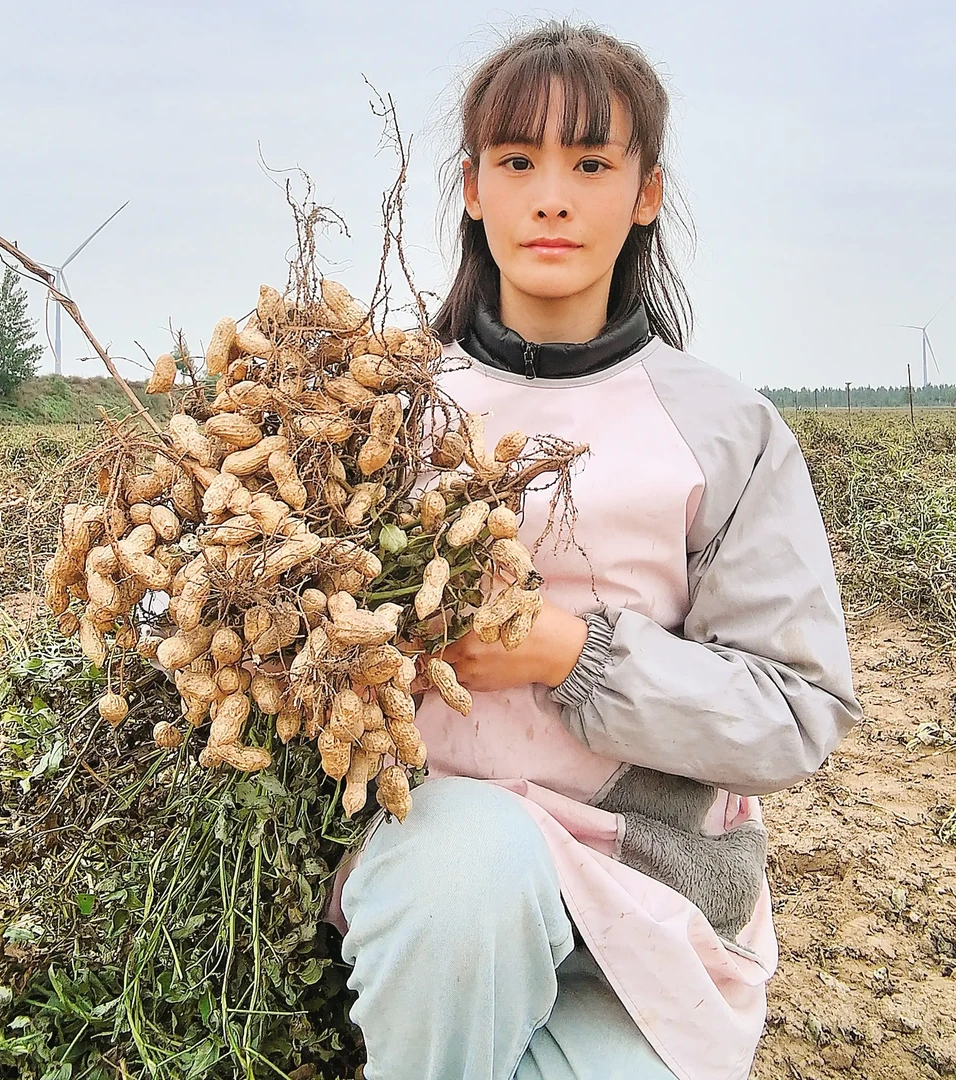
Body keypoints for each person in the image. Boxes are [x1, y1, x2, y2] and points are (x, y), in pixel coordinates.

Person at [327, 19, 862, 1080]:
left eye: (590, 163)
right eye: (517, 162)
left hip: (654, 890)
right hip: (438, 883)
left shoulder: (725, 430)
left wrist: (570, 652)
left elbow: (798, 711)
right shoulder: (381, 411)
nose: (552, 197)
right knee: (464, 872)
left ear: (646, 192)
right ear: (473, 189)